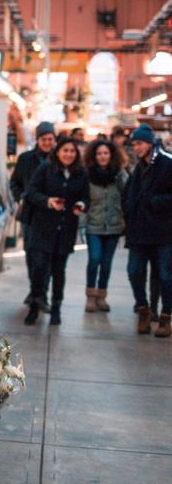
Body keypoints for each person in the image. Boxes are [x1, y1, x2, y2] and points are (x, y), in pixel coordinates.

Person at [24, 136, 89, 327]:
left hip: (66, 230)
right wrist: (48, 201)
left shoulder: (81, 173)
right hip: (43, 228)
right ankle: (34, 306)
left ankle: (56, 308)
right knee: (39, 269)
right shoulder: (46, 169)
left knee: (59, 271)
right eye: (65, 150)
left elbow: (85, 196)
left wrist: (81, 204)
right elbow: (31, 194)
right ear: (57, 152)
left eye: (72, 151)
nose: (68, 154)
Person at [122, 124, 172, 336]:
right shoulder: (138, 168)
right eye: (134, 144)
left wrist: (154, 202)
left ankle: (165, 316)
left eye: (139, 143)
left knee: (166, 275)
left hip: (164, 232)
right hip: (139, 232)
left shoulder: (167, 164)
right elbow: (128, 194)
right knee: (134, 271)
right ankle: (143, 309)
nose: (136, 147)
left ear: (150, 143)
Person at [9, 121, 56, 309]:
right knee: (31, 254)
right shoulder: (26, 159)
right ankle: (35, 290)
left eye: (51, 139)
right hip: (30, 215)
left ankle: (41, 294)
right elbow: (15, 183)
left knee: (47, 256)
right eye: (44, 139)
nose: (47, 143)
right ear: (38, 140)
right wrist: (21, 198)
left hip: (51, 216)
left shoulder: (58, 159)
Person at [83, 137, 127, 312]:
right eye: (99, 153)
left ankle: (102, 296)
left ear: (111, 155)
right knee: (94, 259)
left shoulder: (120, 174)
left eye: (106, 153)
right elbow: (82, 197)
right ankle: (90, 296)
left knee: (107, 263)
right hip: (94, 225)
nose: (102, 156)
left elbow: (127, 195)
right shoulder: (87, 175)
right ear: (94, 155)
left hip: (114, 225)